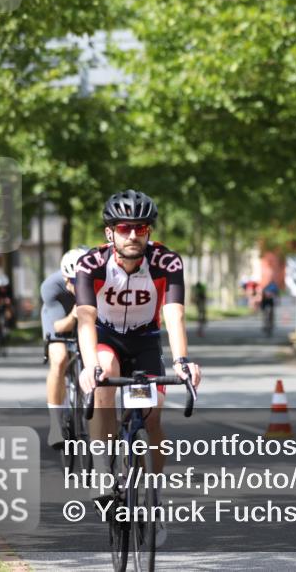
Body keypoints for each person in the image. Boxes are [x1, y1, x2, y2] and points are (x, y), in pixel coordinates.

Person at [75, 189, 202, 543]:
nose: (133, 235)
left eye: (141, 228)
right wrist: (88, 367)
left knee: (152, 416)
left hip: (146, 340)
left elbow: (174, 314)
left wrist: (182, 361)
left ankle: (155, 501)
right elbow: (85, 319)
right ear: (110, 232)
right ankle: (103, 469)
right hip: (105, 336)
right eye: (125, 227)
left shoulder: (167, 262)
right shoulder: (91, 265)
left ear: (149, 231)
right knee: (104, 373)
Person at [42, 248, 86, 449]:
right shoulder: (52, 287)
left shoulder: (99, 279)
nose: (71, 285)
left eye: (76, 281)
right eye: (68, 279)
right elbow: (58, 327)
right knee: (59, 359)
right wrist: (75, 315)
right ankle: (55, 425)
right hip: (60, 318)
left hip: (86, 317)